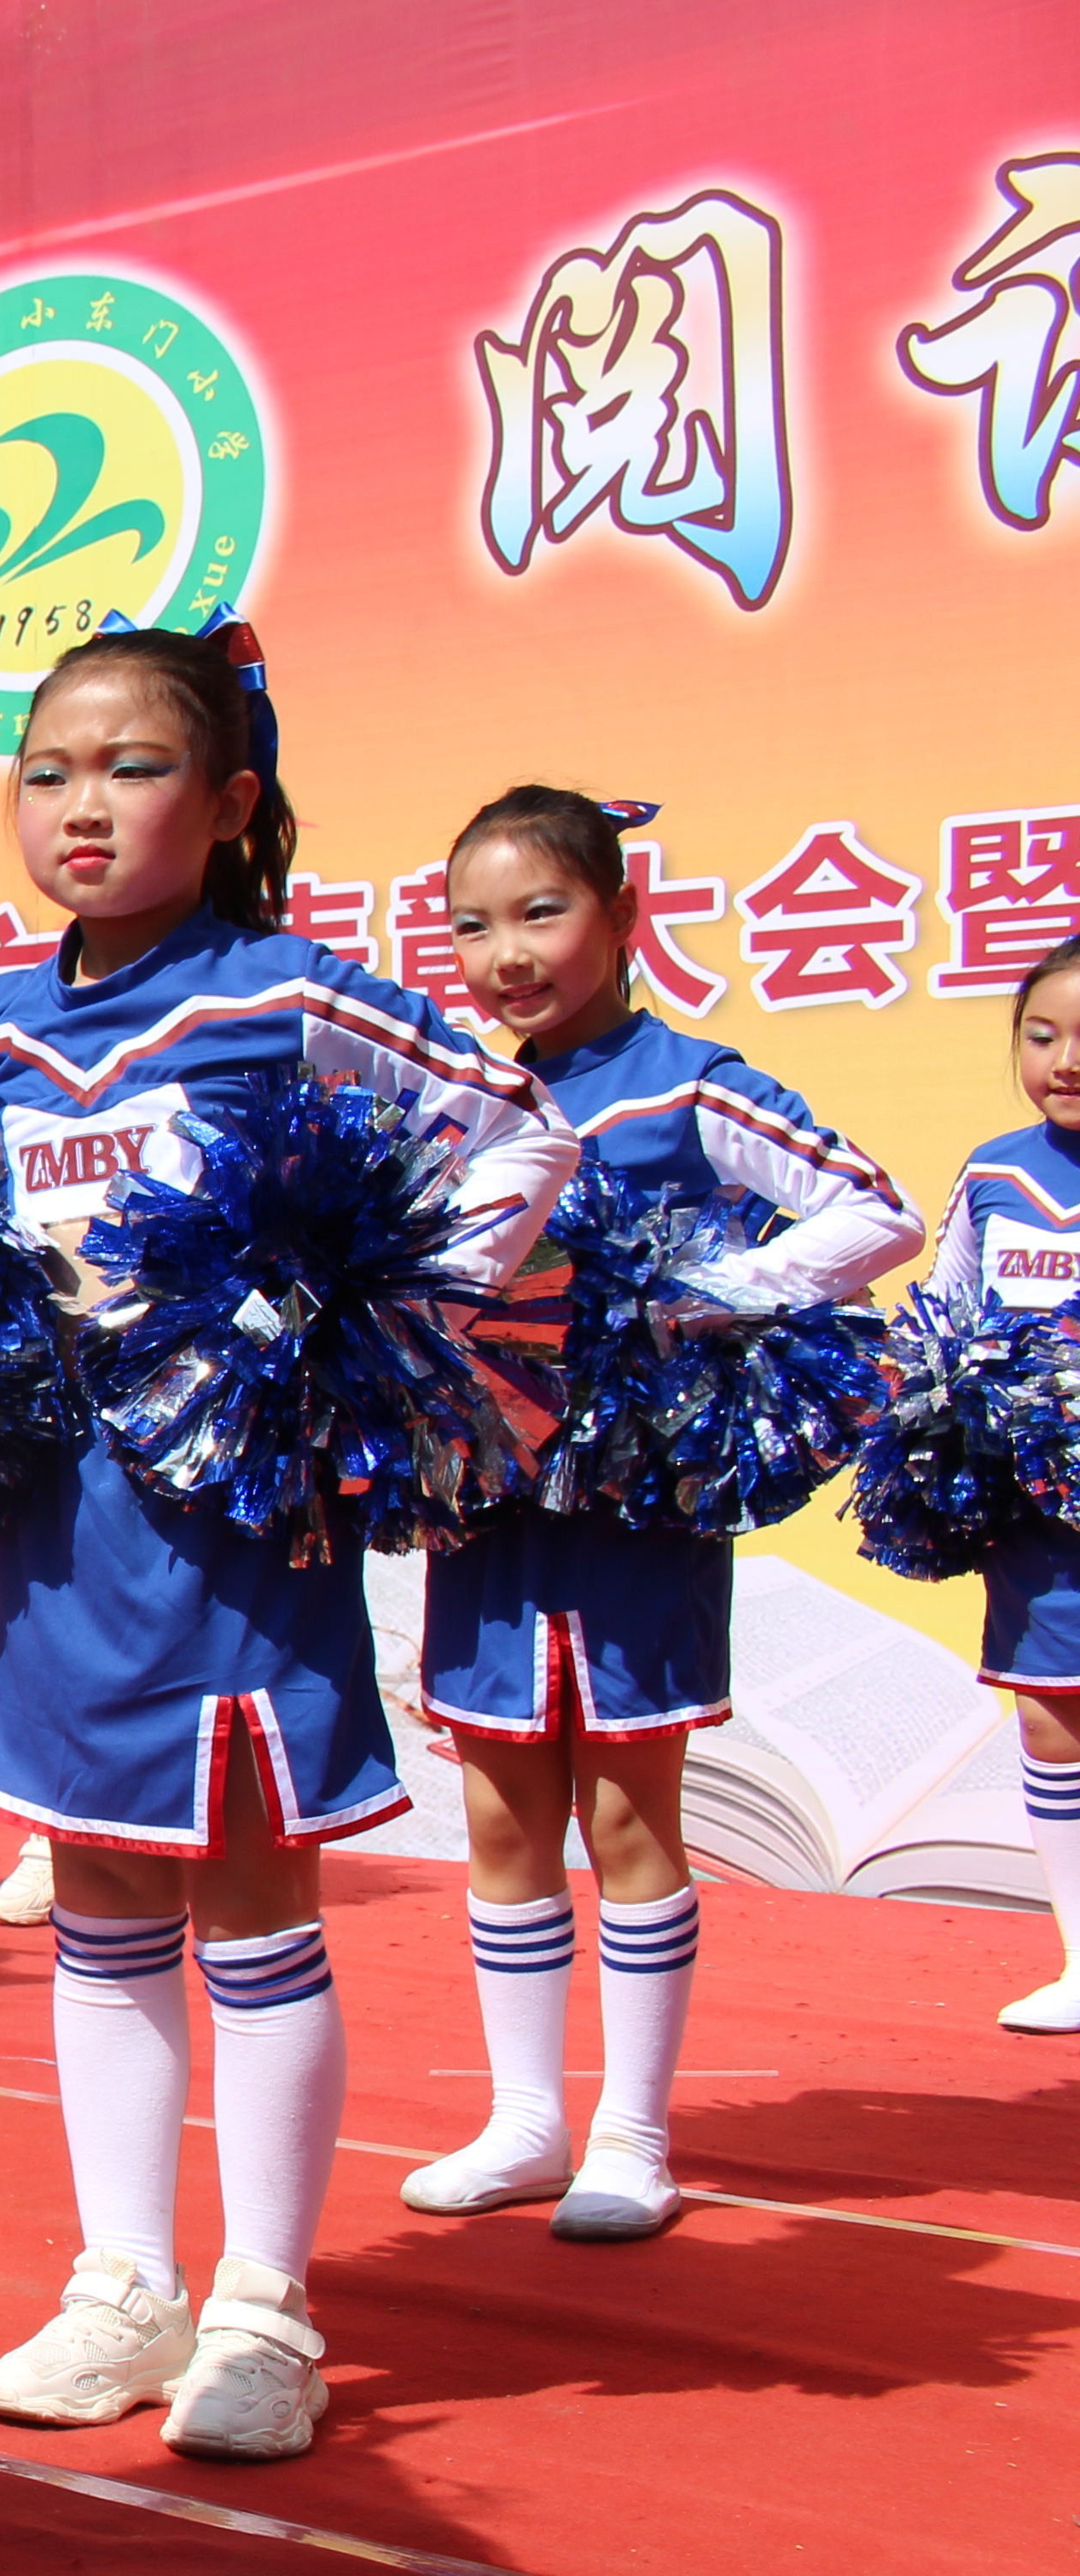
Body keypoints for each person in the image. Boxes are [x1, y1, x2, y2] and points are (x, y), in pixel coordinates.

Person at [0, 621, 574, 2460]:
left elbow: (517, 1138)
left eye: (130, 769)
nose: (79, 807)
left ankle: (268, 2309)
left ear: (226, 805)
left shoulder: (289, 993)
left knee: (253, 1906)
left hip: (233, 1544)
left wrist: (382, 1314)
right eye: (46, 770)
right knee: (105, 1903)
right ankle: (122, 2283)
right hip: (53, 1545)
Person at [410, 788, 922, 2224]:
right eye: (469, 924)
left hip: (637, 1509)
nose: (503, 952)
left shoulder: (687, 1081)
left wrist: (698, 1301)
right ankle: (520, 2120)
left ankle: (627, 2138)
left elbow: (874, 1209)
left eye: (538, 911)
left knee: (626, 1815)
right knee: (500, 1810)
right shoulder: (469, 1099)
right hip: (493, 1506)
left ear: (621, 916)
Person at [932, 933, 1080, 2037]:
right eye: (1041, 1035)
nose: (1064, 1059)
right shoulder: (993, 1174)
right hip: (1040, 1520)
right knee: (1053, 1721)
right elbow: (943, 1315)